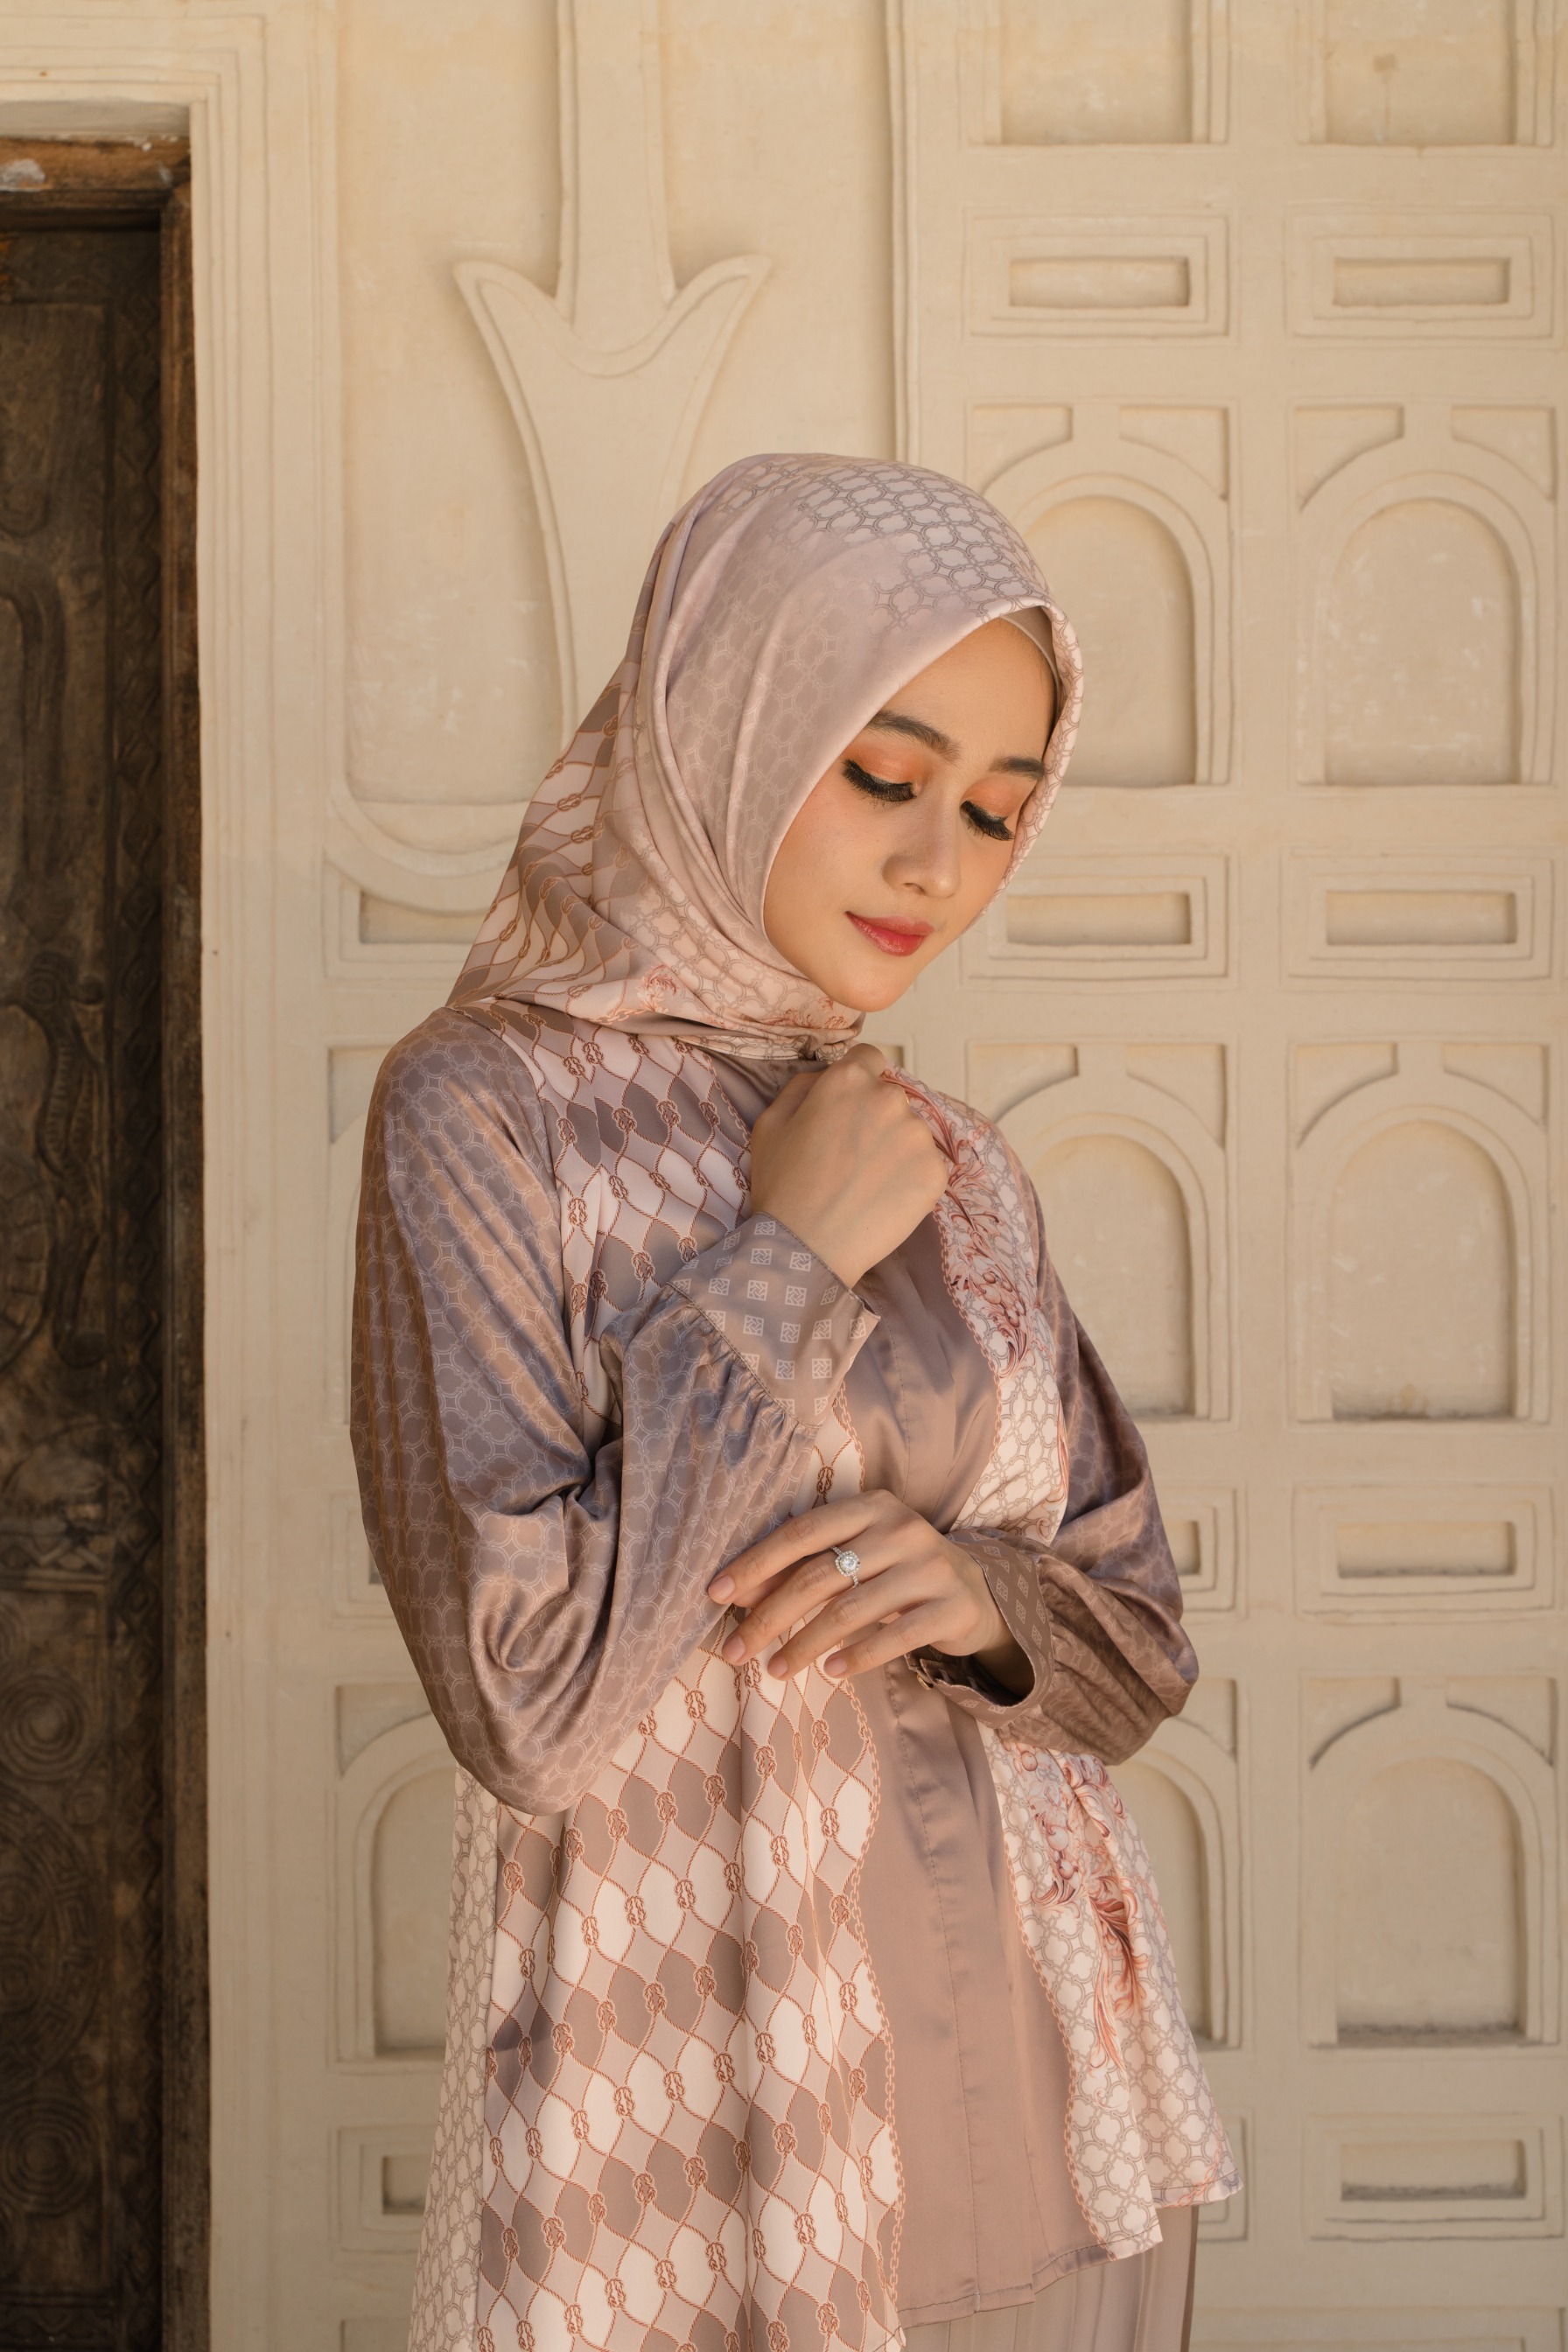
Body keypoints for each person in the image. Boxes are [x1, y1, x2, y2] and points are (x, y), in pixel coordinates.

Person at [352, 453, 1237, 2352]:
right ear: (727, 726)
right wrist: (786, 1260)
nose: (939, 865)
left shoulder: (956, 1160)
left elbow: (1139, 1652)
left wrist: (983, 1602)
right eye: (883, 774)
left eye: (996, 809)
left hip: (1050, 2105)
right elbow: (529, 1709)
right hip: (691, 2146)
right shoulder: (483, 1112)